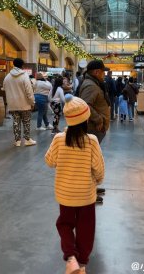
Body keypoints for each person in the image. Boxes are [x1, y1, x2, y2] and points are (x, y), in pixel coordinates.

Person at [45, 94, 104, 274]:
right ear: (85, 119)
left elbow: (49, 161)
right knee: (86, 228)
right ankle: (82, 264)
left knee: (64, 224)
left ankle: (71, 258)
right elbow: (99, 169)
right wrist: (97, 181)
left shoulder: (58, 139)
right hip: (86, 195)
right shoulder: (91, 141)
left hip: (65, 194)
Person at [79, 60, 110, 204]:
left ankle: (91, 187)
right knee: (89, 160)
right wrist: (98, 120)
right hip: (93, 128)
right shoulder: (90, 85)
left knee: (91, 159)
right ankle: (87, 192)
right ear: (97, 72)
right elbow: (85, 105)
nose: (104, 75)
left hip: (95, 128)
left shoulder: (93, 83)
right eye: (103, 72)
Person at [3, 58, 36, 147]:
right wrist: (32, 102)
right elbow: (29, 91)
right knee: (26, 122)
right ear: (22, 65)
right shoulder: (24, 76)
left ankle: (17, 141)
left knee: (16, 122)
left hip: (12, 104)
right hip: (24, 103)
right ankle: (27, 139)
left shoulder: (7, 76)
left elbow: (4, 88)